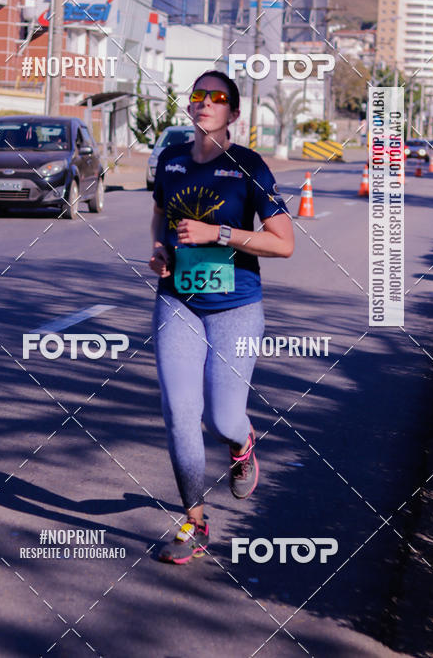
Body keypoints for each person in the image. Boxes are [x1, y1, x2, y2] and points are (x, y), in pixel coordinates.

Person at [149, 70, 294, 564]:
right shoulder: (170, 163)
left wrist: (220, 235)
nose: (205, 102)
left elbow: (284, 243)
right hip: (177, 300)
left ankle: (243, 441)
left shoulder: (249, 167)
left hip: (236, 307)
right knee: (179, 412)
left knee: (222, 417)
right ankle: (195, 520)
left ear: (233, 113)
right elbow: (160, 214)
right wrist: (158, 250)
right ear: (189, 107)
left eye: (217, 97)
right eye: (198, 95)